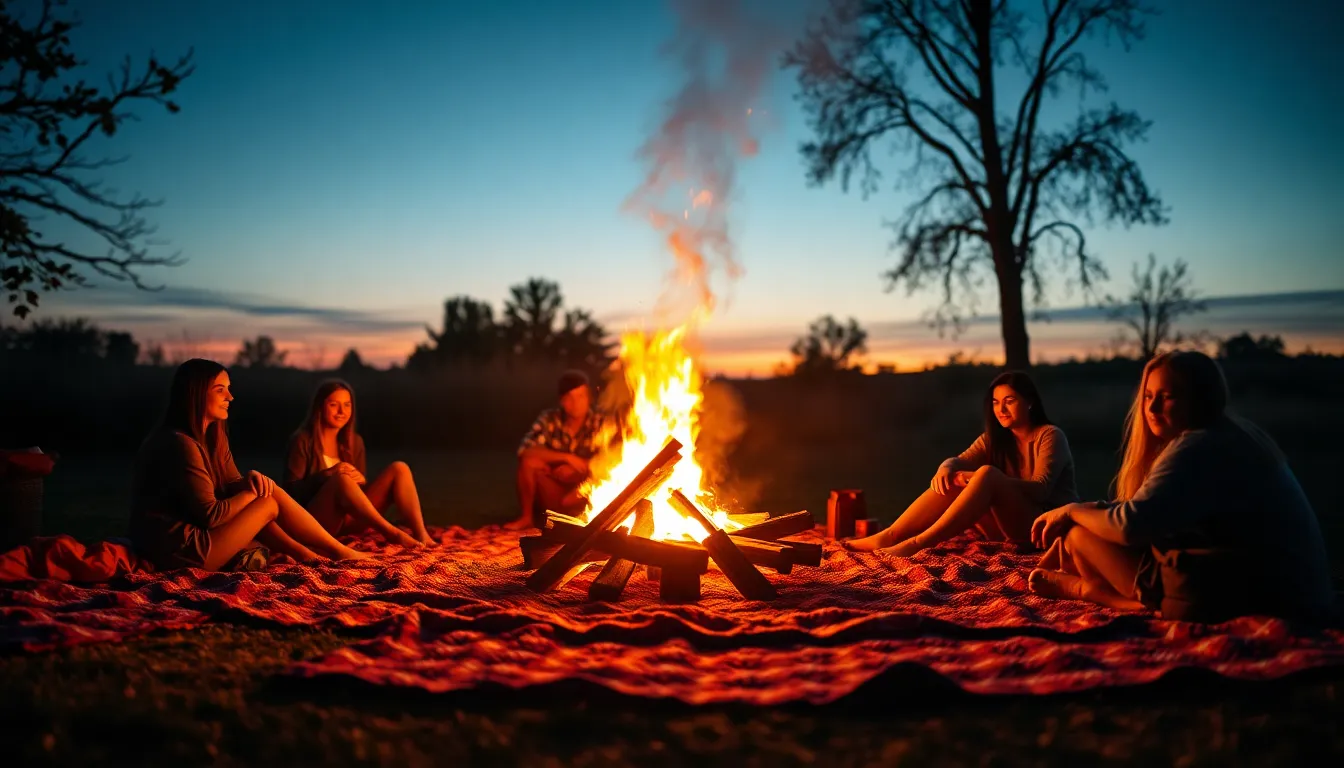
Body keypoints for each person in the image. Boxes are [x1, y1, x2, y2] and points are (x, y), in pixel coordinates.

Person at [1028, 351, 1335, 623]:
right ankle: (1101, 589)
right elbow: (1150, 515)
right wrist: (1091, 511)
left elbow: (1129, 526)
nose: (1153, 407)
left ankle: (1099, 594)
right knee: (1090, 532)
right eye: (1148, 396)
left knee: (1078, 534)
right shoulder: (1232, 435)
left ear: (1200, 398)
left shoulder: (1198, 446)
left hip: (1271, 597)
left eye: (1168, 396)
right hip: (1292, 587)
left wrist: (1071, 511)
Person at [128, 359, 371, 572]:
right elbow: (212, 515)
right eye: (220, 390)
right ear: (197, 394)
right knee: (266, 500)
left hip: (197, 536)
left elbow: (233, 483)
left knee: (265, 494)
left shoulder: (213, 437)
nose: (230, 397)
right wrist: (252, 490)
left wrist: (251, 479)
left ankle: (312, 554)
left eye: (229, 390)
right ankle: (327, 552)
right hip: (182, 550)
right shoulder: (180, 443)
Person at [845, 370, 1078, 556]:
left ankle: (919, 543)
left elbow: (1041, 489)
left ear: (1030, 403)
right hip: (1006, 529)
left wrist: (982, 478)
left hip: (1045, 529)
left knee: (986, 474)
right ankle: (892, 534)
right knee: (956, 478)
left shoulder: (1050, 435)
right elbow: (959, 461)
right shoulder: (995, 438)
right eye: (996, 402)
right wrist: (946, 468)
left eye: (1009, 401)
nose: (1001, 409)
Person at [283, 379, 432, 548]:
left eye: (347, 405)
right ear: (320, 407)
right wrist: (327, 475)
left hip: (350, 520)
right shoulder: (302, 440)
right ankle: (392, 532)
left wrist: (361, 480)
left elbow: (357, 497)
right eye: (334, 405)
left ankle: (422, 535)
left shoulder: (354, 442)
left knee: (400, 468)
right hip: (318, 522)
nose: (341, 411)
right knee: (342, 480)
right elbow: (290, 494)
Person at [507, 369, 605, 530]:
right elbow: (525, 451)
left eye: (581, 396)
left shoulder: (600, 420)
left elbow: (614, 460)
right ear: (562, 401)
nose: (576, 403)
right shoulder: (550, 419)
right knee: (529, 463)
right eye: (570, 398)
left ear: (588, 398)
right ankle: (527, 517)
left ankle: (586, 517)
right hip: (555, 486)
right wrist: (566, 458)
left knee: (598, 476)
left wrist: (578, 469)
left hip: (585, 487)